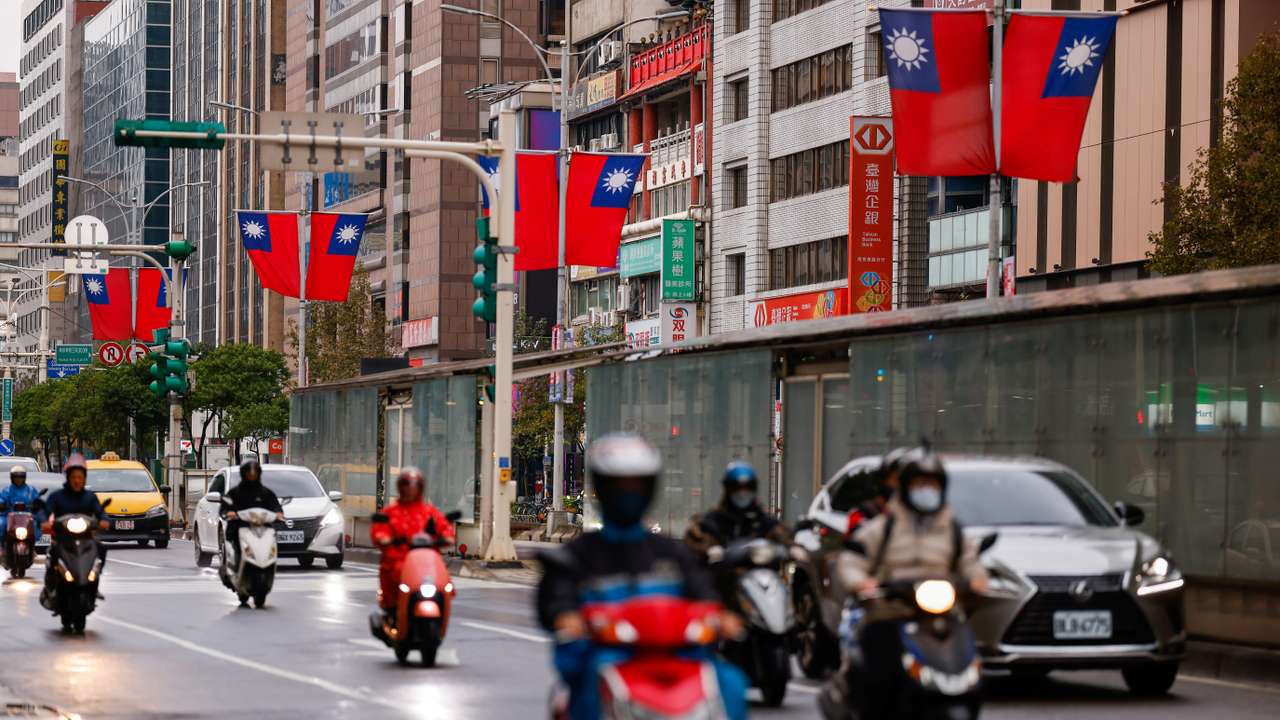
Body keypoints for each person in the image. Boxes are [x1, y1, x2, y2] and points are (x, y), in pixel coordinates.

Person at [537, 433, 748, 720]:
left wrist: (720, 616)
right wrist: (566, 617)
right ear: (603, 488)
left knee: (731, 684)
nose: (629, 493)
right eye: (619, 486)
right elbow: (557, 601)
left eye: (637, 485)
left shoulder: (673, 553)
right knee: (584, 690)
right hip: (607, 657)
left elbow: (704, 593)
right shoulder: (576, 556)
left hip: (680, 658)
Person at [832, 447, 989, 720]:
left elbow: (970, 562)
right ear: (905, 488)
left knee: (972, 673)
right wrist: (861, 583)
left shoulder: (953, 530)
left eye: (932, 484)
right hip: (890, 613)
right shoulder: (883, 527)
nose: (925, 490)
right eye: (919, 484)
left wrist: (977, 580)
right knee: (877, 680)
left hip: (941, 616)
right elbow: (851, 561)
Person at [370, 466, 455, 621]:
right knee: (392, 572)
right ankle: (393, 610)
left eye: (415, 484)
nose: (411, 488)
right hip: (400, 559)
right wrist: (385, 538)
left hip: (426, 561)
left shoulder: (429, 512)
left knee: (444, 579)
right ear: (400, 487)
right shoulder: (391, 512)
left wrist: (447, 537)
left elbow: (444, 528)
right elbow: (380, 531)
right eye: (407, 484)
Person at [40, 453, 108, 608]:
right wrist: (44, 522)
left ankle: (94, 584)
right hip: (63, 538)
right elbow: (46, 511)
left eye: (80, 477)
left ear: (84, 478)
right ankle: (51, 587)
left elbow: (100, 512)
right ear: (68, 478)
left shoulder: (90, 497)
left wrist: (104, 521)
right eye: (73, 477)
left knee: (101, 548)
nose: (77, 480)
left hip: (85, 538)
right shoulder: (57, 496)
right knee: (52, 554)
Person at [685, 461, 791, 558]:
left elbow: (784, 536)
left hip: (759, 575)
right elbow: (696, 541)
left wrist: (794, 548)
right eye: (737, 488)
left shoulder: (762, 519)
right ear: (728, 490)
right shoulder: (713, 520)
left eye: (748, 487)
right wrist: (709, 550)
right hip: (725, 575)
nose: (742, 493)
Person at [222, 460, 285, 564]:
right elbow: (225, 508)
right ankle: (235, 565)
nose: (252, 474)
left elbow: (276, 506)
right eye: (249, 472)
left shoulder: (266, 493)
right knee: (234, 546)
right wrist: (229, 513)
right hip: (240, 527)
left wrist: (278, 513)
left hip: (262, 527)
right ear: (243, 473)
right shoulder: (234, 493)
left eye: (255, 472)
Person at [844, 447, 908, 537]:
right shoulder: (864, 515)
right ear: (883, 481)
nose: (902, 486)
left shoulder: (924, 521)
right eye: (896, 480)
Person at [0, 467, 42, 541]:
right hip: (9, 516)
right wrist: (2, 504)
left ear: (24, 478)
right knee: (2, 524)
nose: (18, 479)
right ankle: (2, 546)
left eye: (21, 477)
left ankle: (35, 547)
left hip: (28, 517)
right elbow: (2, 499)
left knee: (37, 525)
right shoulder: (7, 490)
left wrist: (37, 504)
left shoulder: (31, 490)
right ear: (12, 478)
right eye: (16, 477)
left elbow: (37, 500)